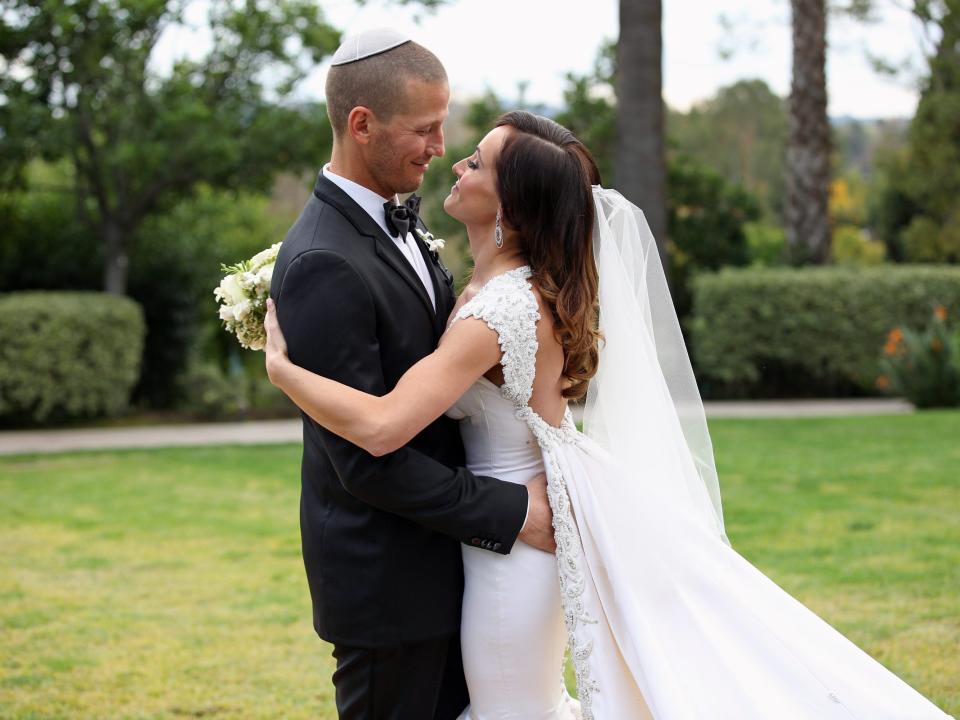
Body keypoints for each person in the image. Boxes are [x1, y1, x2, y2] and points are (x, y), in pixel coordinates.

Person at [265, 106, 956, 720]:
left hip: (515, 550)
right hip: (503, 529)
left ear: (511, 207)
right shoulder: (488, 282)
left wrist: (284, 371)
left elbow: (386, 426)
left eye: (478, 162)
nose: (458, 162)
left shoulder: (499, 309)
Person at [268, 30, 556, 720]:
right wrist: (515, 511)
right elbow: (366, 462)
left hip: (456, 567)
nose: (441, 147)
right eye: (425, 128)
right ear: (362, 125)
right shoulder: (324, 261)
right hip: (388, 587)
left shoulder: (399, 226)